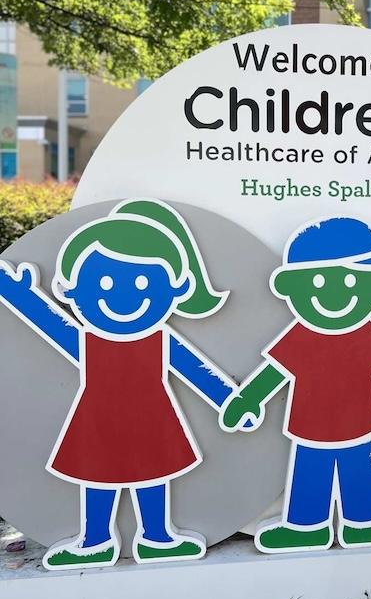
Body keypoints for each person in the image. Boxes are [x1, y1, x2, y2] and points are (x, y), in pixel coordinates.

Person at [0, 199, 235, 569]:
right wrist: (20, 296)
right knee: (97, 477)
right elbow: (51, 327)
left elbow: (196, 370)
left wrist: (229, 400)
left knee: (153, 475)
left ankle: (156, 537)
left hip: (152, 421)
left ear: (176, 291)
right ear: (71, 291)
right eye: (104, 282)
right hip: (99, 421)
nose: (122, 296)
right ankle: (95, 539)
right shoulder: (89, 340)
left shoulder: (159, 339)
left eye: (143, 282)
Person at [220, 216, 371, 553]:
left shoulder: (361, 334)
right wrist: (248, 399)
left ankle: (367, 522)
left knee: (362, 472)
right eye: (322, 282)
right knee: (310, 473)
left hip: (358, 422)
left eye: (355, 281)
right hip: (309, 427)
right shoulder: (300, 338)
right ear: (289, 287)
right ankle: (304, 526)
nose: (338, 293)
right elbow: (274, 372)